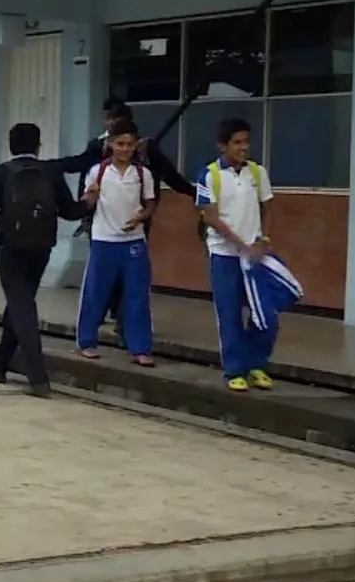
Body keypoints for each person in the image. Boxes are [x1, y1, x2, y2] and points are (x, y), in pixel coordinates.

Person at [0, 122, 86, 398]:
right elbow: (69, 211)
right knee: (20, 302)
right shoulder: (50, 172)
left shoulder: (1, 173)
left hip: (10, 248)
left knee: (22, 306)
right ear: (38, 146)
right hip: (42, 247)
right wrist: (88, 202)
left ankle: (38, 378)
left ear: (10, 146)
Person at [56, 96, 194, 332]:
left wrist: (194, 193)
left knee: (131, 275)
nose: (111, 125)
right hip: (101, 221)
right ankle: (103, 315)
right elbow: (79, 166)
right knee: (103, 274)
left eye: (116, 121)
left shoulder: (145, 149)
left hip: (136, 221)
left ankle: (124, 320)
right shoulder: (97, 147)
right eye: (108, 121)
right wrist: (52, 168)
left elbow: (169, 174)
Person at [196, 117, 279, 393]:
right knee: (230, 314)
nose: (244, 147)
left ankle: (257, 364)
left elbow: (269, 208)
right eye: (237, 142)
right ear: (223, 146)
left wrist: (264, 240)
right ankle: (235, 370)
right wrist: (242, 245)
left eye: (246, 142)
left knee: (265, 313)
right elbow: (211, 217)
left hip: (255, 257)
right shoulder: (209, 175)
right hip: (224, 256)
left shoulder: (257, 172)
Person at [74, 119, 157, 367]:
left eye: (129, 144)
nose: (124, 149)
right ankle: (87, 342)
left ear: (136, 146)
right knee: (95, 292)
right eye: (120, 144)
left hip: (134, 241)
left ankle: (140, 348)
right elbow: (87, 202)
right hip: (104, 240)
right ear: (110, 144)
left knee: (137, 295)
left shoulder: (142, 174)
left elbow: (150, 204)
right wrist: (91, 195)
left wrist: (141, 217)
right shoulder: (97, 171)